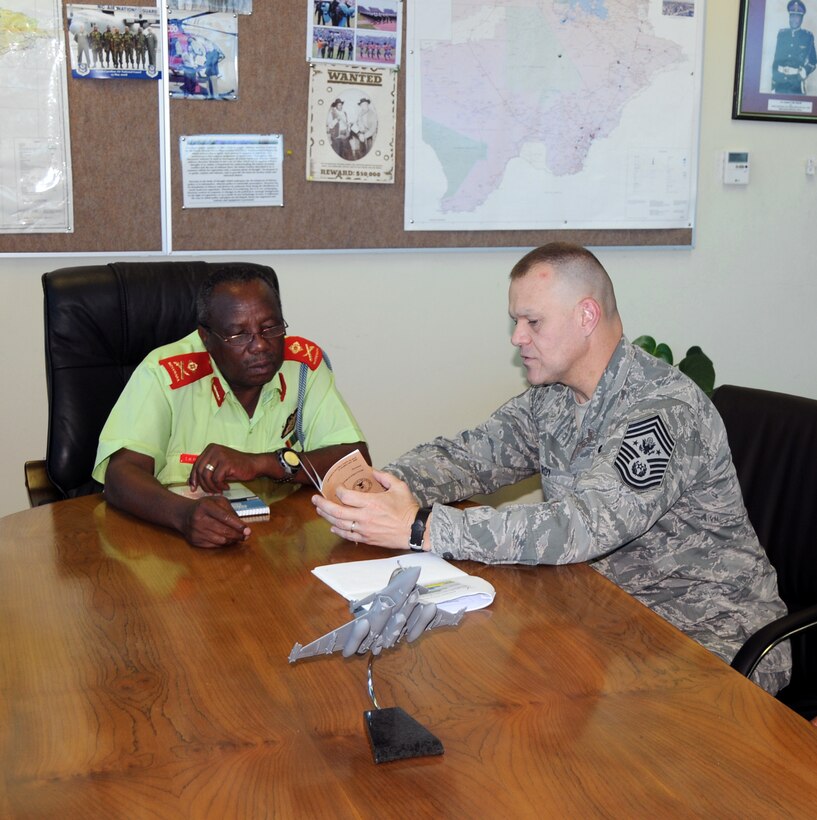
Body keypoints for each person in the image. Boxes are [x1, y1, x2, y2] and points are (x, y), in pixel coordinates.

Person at [313, 242, 792, 695]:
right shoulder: (556, 398)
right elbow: (470, 455)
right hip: (605, 618)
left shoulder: (662, 411)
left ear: (586, 316)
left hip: (706, 636)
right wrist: (375, 489)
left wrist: (420, 527)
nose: (518, 337)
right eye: (515, 321)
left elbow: (584, 525)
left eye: (532, 321)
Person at [94, 265, 368, 549]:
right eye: (238, 334)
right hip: (174, 548)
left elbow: (355, 463)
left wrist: (262, 462)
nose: (260, 345)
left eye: (270, 328)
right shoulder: (164, 374)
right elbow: (121, 475)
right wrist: (184, 515)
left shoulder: (302, 367)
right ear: (206, 338)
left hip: (277, 544)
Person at [772, 0, 817, 95]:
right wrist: (774, 82)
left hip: (796, 83)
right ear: (789, 17)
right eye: (792, 16)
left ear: (802, 18)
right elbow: (776, 59)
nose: (794, 20)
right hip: (780, 83)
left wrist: (805, 71)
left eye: (797, 17)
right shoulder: (782, 34)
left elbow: (813, 60)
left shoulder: (807, 36)